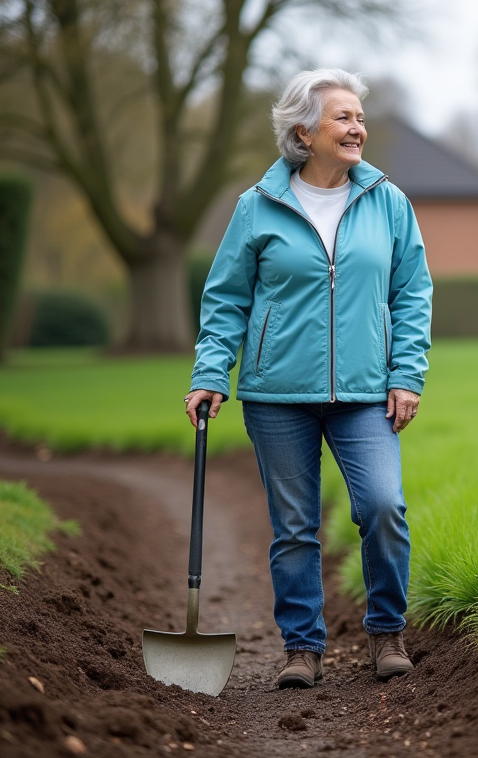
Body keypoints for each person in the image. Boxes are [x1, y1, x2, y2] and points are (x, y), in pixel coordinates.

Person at [185, 68, 432, 689]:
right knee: (293, 528)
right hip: (276, 395)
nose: (358, 128)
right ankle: (302, 648)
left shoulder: (389, 202)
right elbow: (226, 299)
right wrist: (210, 373)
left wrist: (406, 375)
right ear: (304, 131)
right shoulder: (257, 207)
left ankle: (386, 633)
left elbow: (412, 295)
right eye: (342, 118)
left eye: (359, 117)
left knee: (382, 507)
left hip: (364, 393)